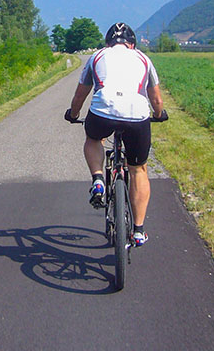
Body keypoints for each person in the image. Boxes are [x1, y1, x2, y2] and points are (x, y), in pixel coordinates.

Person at [64, 22, 166, 246]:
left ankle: (98, 179)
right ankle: (138, 231)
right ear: (132, 44)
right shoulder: (143, 59)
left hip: (103, 112)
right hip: (136, 115)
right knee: (138, 169)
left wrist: (73, 114)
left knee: (93, 138)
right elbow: (156, 100)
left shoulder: (97, 56)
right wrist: (159, 114)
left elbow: (80, 95)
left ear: (108, 42)